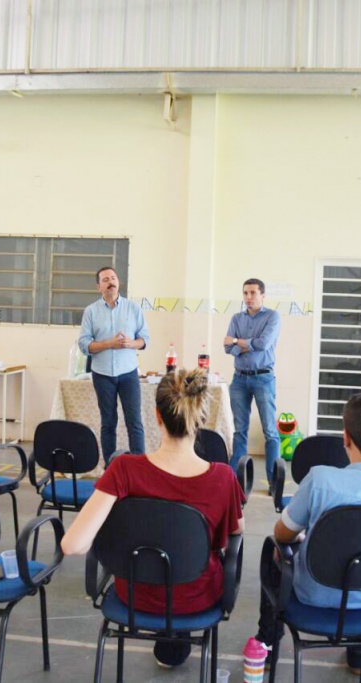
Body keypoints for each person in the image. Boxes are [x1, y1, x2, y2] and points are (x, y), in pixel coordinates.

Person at [61, 368, 245, 668]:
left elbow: (73, 545)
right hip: (195, 597)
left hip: (136, 596)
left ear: (157, 416)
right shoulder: (223, 478)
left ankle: (169, 644)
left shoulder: (123, 470)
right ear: (200, 419)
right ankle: (175, 641)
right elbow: (235, 531)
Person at [249, 392, 361, 674]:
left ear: (345, 438)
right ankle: (359, 655)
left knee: (273, 551)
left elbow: (282, 534)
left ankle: (268, 643)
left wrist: (300, 538)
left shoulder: (320, 480)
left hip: (313, 595)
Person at [78, 266, 149, 459]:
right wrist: (109, 343)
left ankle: (138, 466)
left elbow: (144, 339)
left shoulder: (133, 308)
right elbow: (84, 344)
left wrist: (131, 343)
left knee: (134, 422)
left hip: (128, 373)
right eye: (105, 280)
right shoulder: (91, 311)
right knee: (108, 423)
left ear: (118, 282)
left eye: (113, 278)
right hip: (102, 374)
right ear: (99, 286)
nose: (111, 282)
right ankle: (111, 467)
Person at [224, 278, 281, 489]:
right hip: (239, 379)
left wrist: (237, 341)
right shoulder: (236, 318)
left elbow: (264, 344)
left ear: (262, 296)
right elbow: (227, 348)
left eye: (253, 293)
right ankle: (234, 482)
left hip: (263, 378)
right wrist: (248, 344)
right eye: (245, 293)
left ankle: (274, 482)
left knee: (270, 431)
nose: (248, 297)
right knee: (239, 430)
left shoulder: (272, 316)